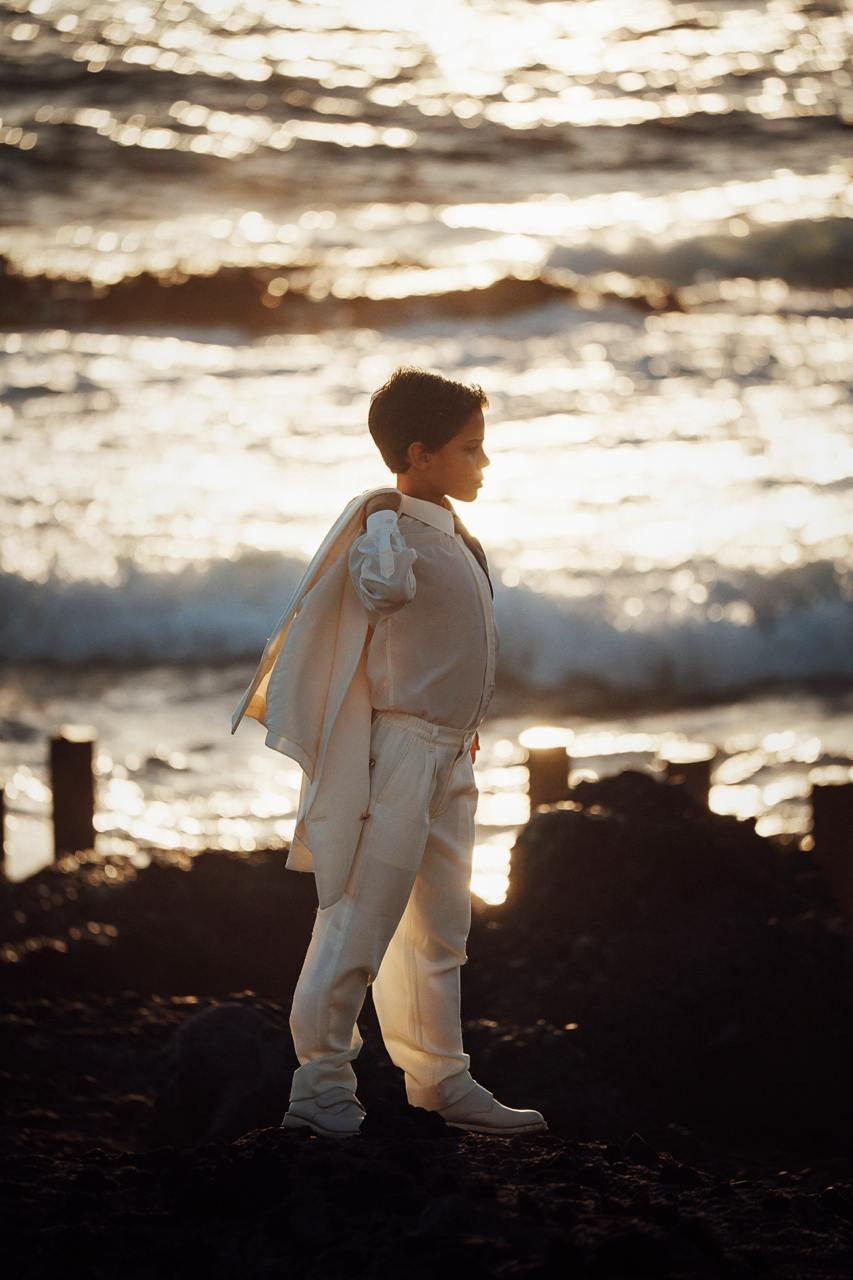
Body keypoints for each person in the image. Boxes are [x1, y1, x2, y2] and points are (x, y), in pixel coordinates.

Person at [233, 366, 547, 1138]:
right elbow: (382, 593)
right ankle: (320, 1085)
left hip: (453, 758)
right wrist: (377, 516)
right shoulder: (386, 531)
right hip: (398, 754)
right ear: (419, 454)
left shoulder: (450, 533)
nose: (484, 463)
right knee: (356, 917)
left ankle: (440, 1079)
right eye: (470, 449)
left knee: (439, 929)